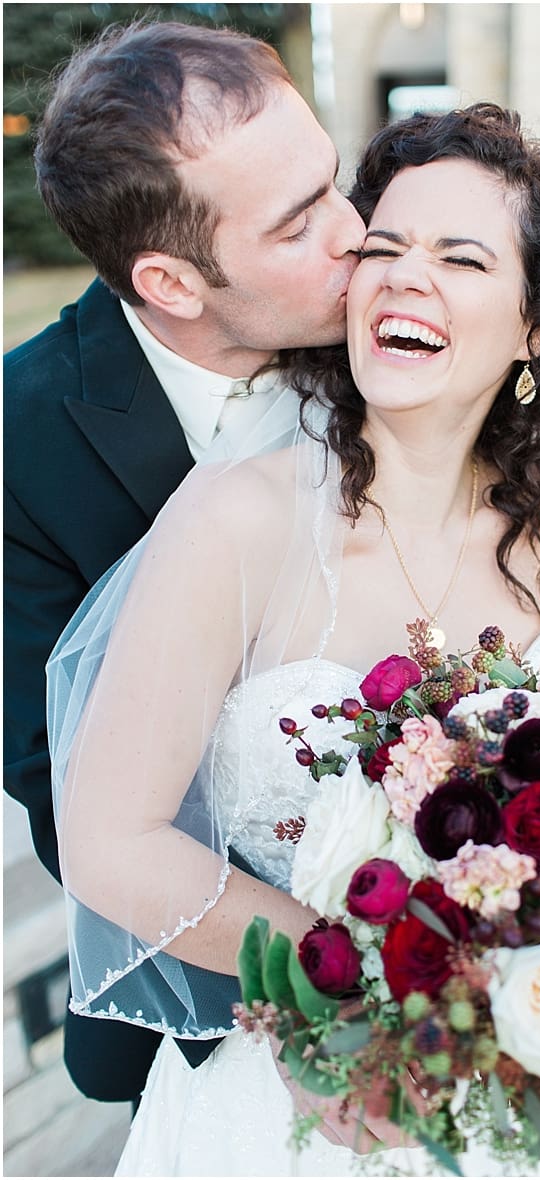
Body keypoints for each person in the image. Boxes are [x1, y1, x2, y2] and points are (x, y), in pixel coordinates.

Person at [47, 99, 540, 1175]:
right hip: (296, 1077)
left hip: (507, 1061)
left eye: (461, 258)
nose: (403, 274)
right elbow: (112, 843)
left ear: (535, 329)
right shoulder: (235, 518)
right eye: (382, 245)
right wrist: (360, 974)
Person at [3, 19, 364, 1111]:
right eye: (300, 223)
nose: (357, 235)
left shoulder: (397, 327)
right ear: (172, 280)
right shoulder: (20, 443)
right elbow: (50, 772)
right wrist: (336, 962)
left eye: (334, 184)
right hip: (209, 992)